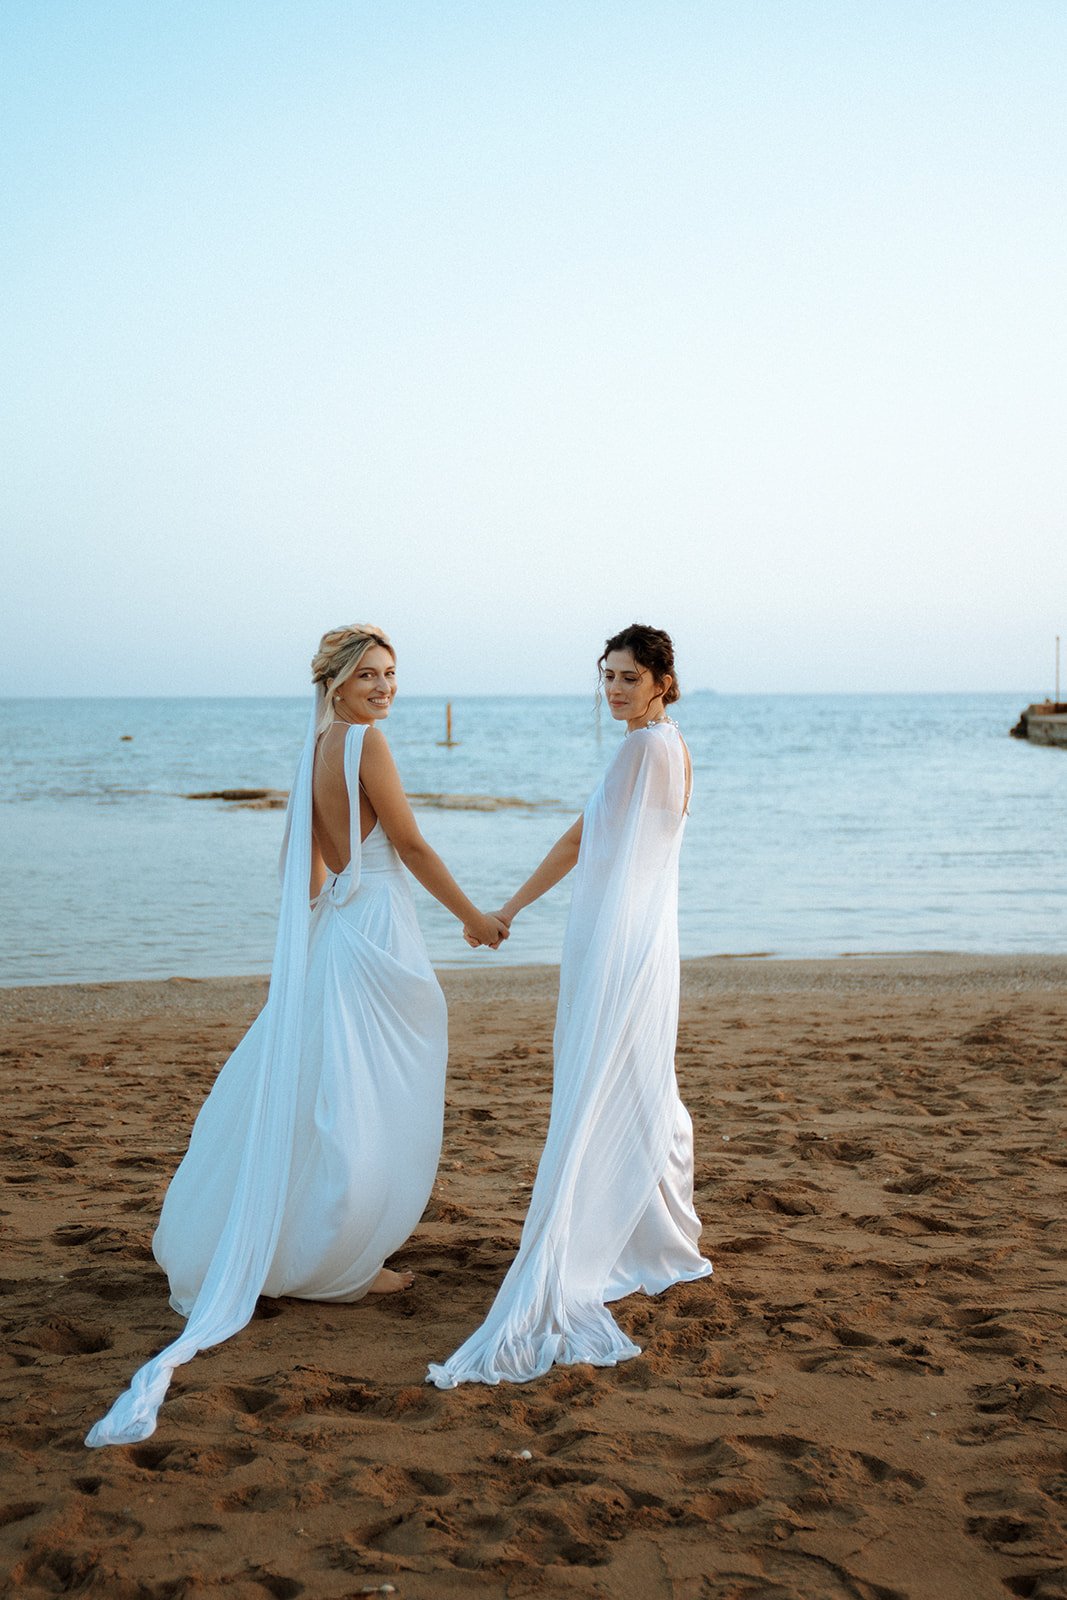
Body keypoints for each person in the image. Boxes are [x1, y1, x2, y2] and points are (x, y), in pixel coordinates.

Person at [88, 624, 506, 1446]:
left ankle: (309, 1237)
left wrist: (319, 916)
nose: (384, 688)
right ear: (338, 681)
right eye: (370, 675)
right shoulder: (365, 742)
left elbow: (303, 854)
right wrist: (474, 917)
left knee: (327, 1075)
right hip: (378, 923)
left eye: (392, 674)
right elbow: (411, 843)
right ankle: (342, 1262)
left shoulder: (316, 744)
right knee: (365, 1087)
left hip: (343, 924)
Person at [429, 623, 711, 1388]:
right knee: (636, 1080)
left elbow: (579, 844)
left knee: (602, 1082)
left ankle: (608, 1240)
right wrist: (512, 907)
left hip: (617, 945)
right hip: (646, 944)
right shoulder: (671, 745)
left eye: (628, 677)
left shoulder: (641, 749)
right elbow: (600, 844)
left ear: (660, 680)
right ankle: (652, 1235)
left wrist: (509, 908)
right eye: (607, 677)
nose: (614, 689)